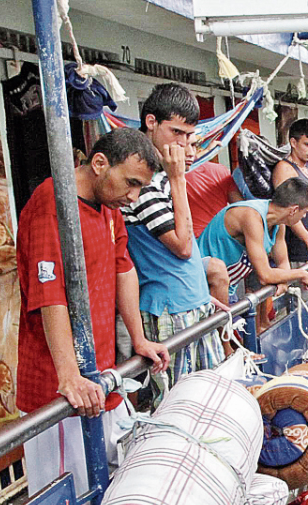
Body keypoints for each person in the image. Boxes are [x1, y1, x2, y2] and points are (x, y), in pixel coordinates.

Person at [17, 128, 170, 501]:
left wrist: (138, 338)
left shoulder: (110, 208)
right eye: (131, 183)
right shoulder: (52, 203)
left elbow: (123, 268)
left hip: (101, 376)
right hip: (58, 387)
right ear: (99, 163)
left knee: (111, 488)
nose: (133, 197)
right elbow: (48, 293)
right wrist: (68, 376)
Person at [124, 84, 226, 401]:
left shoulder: (160, 178)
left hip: (191, 303)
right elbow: (181, 246)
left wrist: (202, 296)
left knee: (210, 396)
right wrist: (179, 178)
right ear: (151, 122)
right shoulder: (142, 184)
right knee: (179, 407)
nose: (182, 144)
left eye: (188, 137)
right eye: (176, 133)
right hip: (168, 311)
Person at [196, 177, 308, 299]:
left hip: (228, 289)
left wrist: (284, 280)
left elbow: (282, 262)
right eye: (305, 211)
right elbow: (264, 275)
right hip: (200, 286)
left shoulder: (279, 222)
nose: (304, 216)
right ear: (294, 210)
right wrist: (301, 274)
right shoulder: (252, 217)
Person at [272, 118, 308, 266]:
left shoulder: (305, 169)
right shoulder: (285, 169)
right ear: (293, 142)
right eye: (307, 144)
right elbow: (288, 213)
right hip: (299, 256)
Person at [185, 159, 242, 237]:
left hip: (192, 238)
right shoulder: (220, 170)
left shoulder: (174, 176)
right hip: (220, 235)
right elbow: (239, 205)